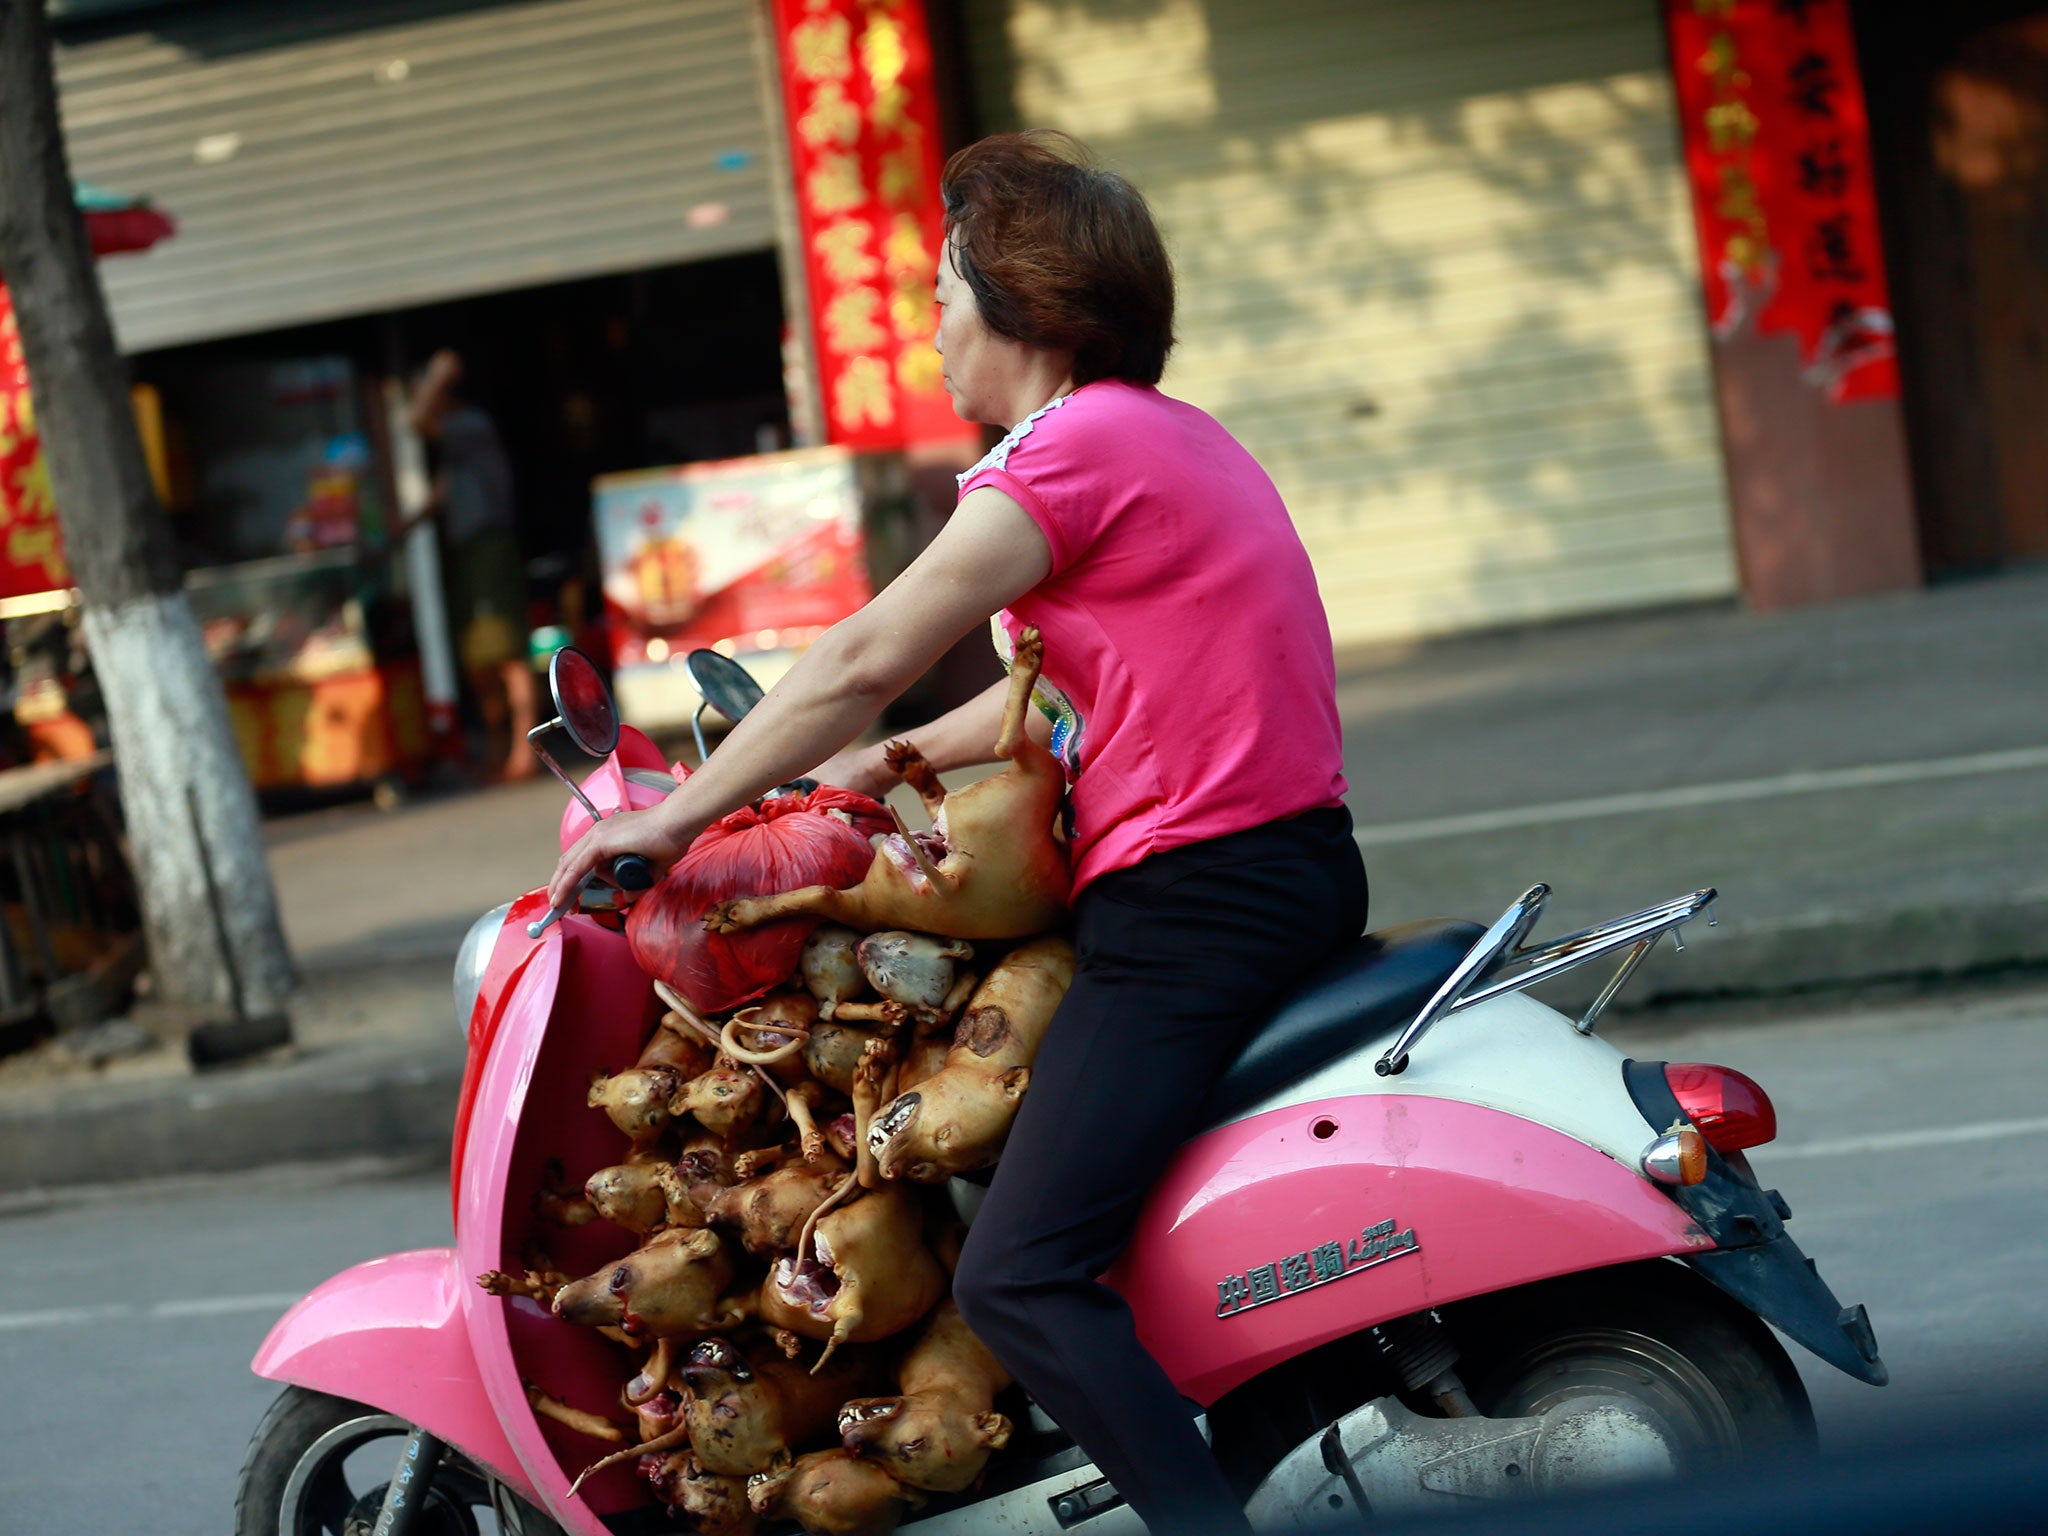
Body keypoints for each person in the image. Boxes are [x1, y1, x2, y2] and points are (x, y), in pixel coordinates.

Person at [551, 130, 1366, 1536]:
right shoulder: (1160, 441)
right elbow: (1059, 696)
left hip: (1197, 903)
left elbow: (864, 648)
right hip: (1261, 871)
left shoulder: (1070, 450)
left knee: (1020, 1273)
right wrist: (888, 761)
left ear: (1021, 306)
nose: (928, 326)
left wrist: (674, 823)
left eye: (942, 292)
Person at [405, 348, 539, 781]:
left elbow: (415, 421)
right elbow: (439, 497)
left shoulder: (469, 425)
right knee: (477, 661)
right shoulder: (458, 446)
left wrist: (437, 377)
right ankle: (499, 745)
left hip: (489, 548)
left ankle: (525, 747)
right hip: (466, 553)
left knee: (505, 652)